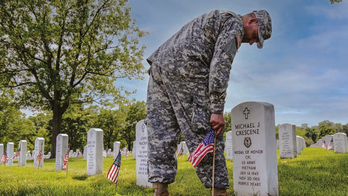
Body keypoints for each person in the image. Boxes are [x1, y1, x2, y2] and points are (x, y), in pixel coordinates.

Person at [145, 9, 272, 196]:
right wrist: (217, 110)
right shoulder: (234, 24)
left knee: (161, 131)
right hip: (187, 68)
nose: (252, 42)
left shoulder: (218, 17)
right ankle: (219, 192)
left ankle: (160, 190)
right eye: (256, 36)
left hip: (159, 66)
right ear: (252, 21)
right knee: (207, 128)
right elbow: (220, 66)